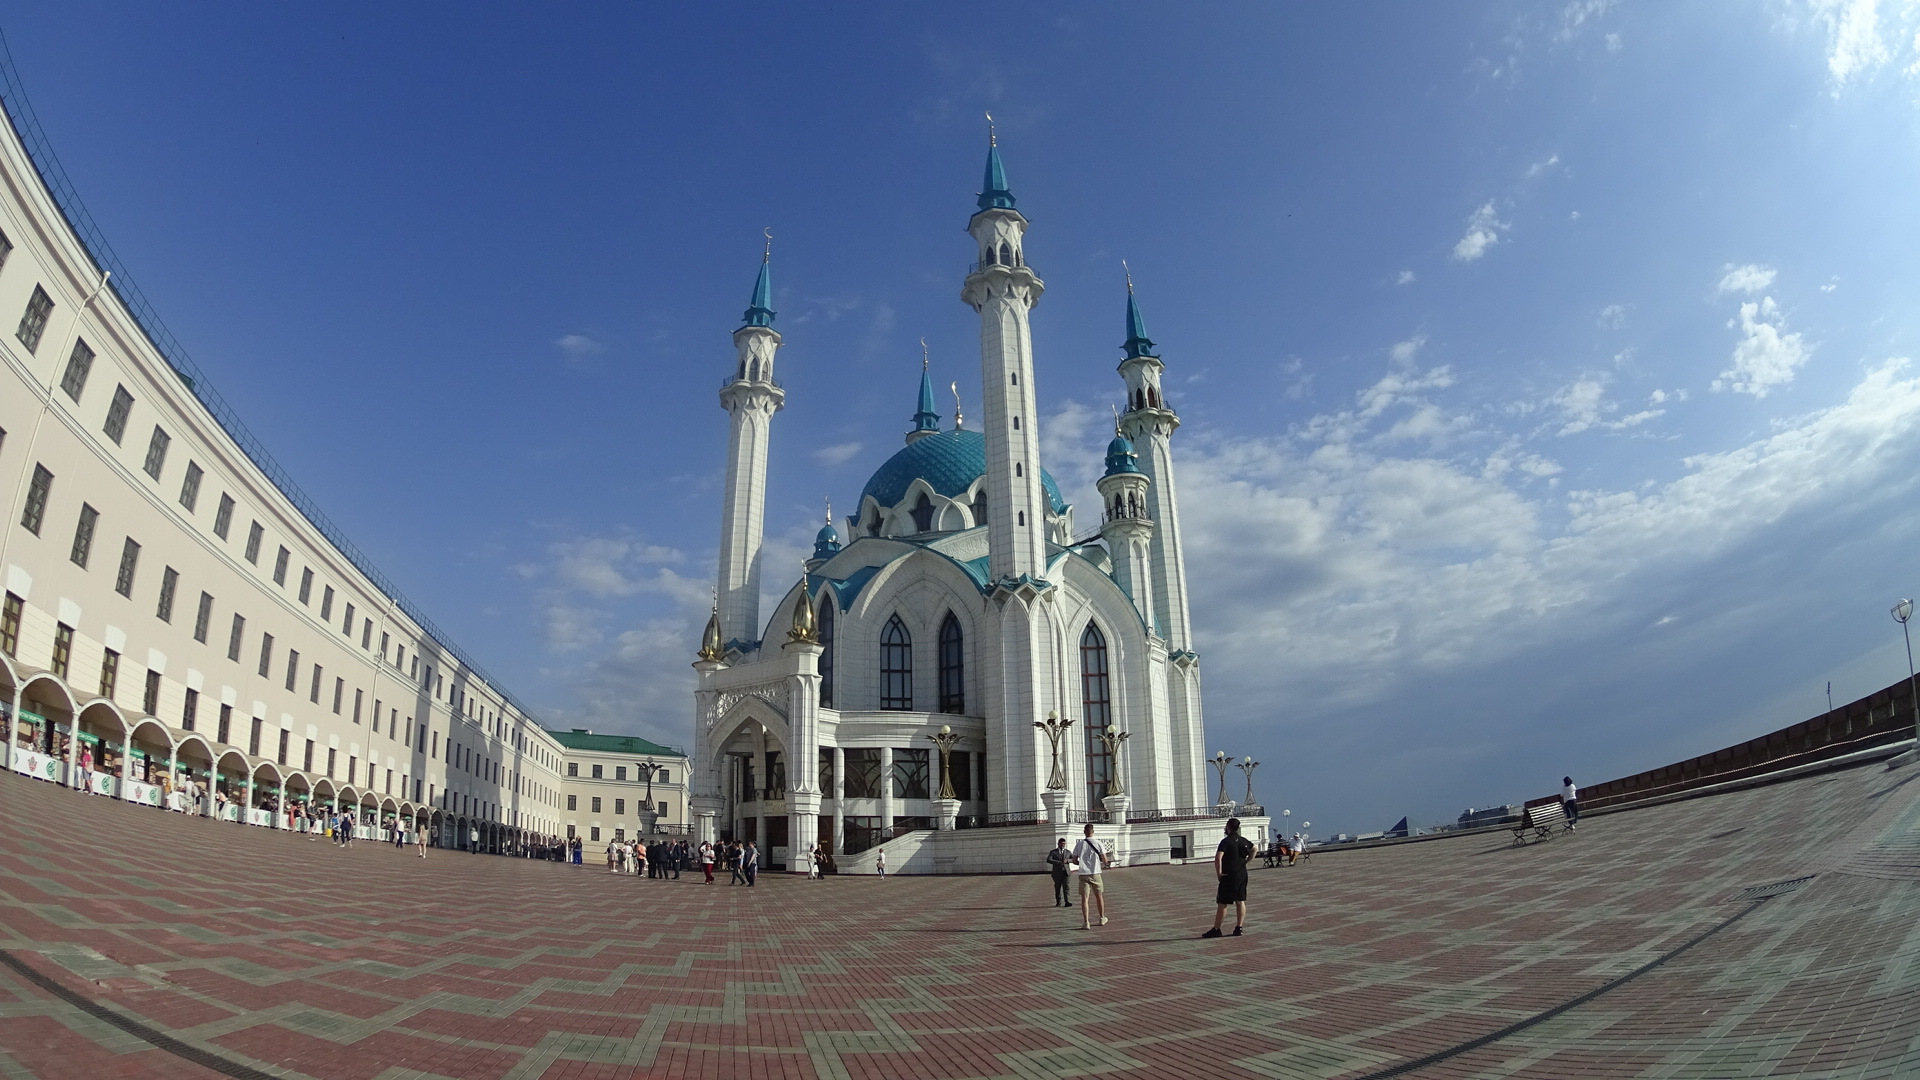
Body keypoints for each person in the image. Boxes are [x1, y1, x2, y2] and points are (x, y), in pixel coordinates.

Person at [1202, 817, 1256, 938]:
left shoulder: (1226, 841)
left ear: (1228, 827)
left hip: (1228, 875)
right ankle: (1239, 928)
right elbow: (1254, 849)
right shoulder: (1243, 840)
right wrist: (1247, 861)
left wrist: (1219, 873)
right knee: (1240, 901)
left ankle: (1217, 929)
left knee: (1223, 903)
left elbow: (1218, 858)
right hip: (1242, 874)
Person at [1070, 824, 1108, 929]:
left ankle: (1086, 922)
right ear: (1093, 832)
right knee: (1099, 896)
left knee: (1084, 898)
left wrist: (1082, 863)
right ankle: (1102, 918)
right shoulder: (1098, 843)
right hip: (1095, 872)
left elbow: (1074, 860)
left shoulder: (1079, 844)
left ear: (1084, 832)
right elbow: (1105, 860)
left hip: (1083, 873)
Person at [1046, 838, 1073, 907]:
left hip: (1066, 872)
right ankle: (1058, 902)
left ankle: (1067, 901)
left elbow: (1073, 859)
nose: (1063, 845)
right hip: (1057, 873)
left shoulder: (1068, 852)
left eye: (1064, 843)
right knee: (1057, 887)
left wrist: (1067, 861)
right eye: (1061, 843)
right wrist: (1058, 862)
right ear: (1058, 844)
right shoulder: (1053, 852)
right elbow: (1048, 859)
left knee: (1066, 887)